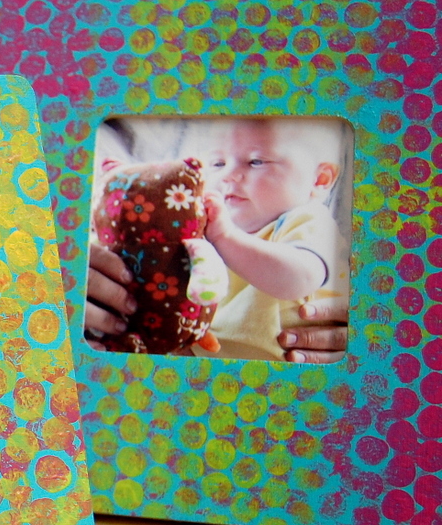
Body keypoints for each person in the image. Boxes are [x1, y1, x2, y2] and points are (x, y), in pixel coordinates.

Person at [87, 118, 351, 363]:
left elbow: (297, 279)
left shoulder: (308, 220)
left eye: (256, 161)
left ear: (320, 180)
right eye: (217, 163)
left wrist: (225, 237)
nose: (228, 175)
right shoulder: (211, 231)